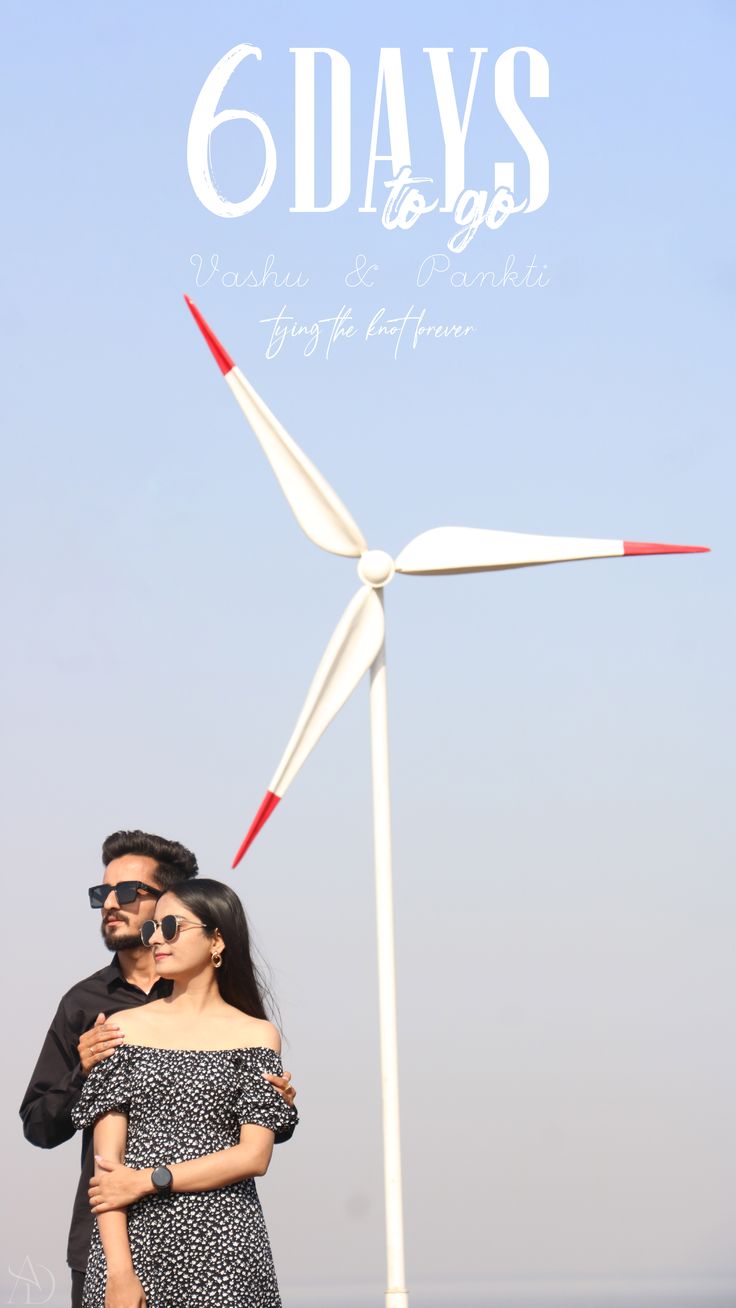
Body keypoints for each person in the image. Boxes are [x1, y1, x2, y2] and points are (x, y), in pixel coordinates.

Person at [19, 831, 296, 1308]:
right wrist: (83, 1071)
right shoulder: (94, 1010)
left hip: (227, 1247)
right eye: (101, 893)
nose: (111, 904)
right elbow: (43, 1127)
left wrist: (277, 1111)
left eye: (127, 892)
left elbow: (249, 1148)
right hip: (114, 1239)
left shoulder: (252, 1031)